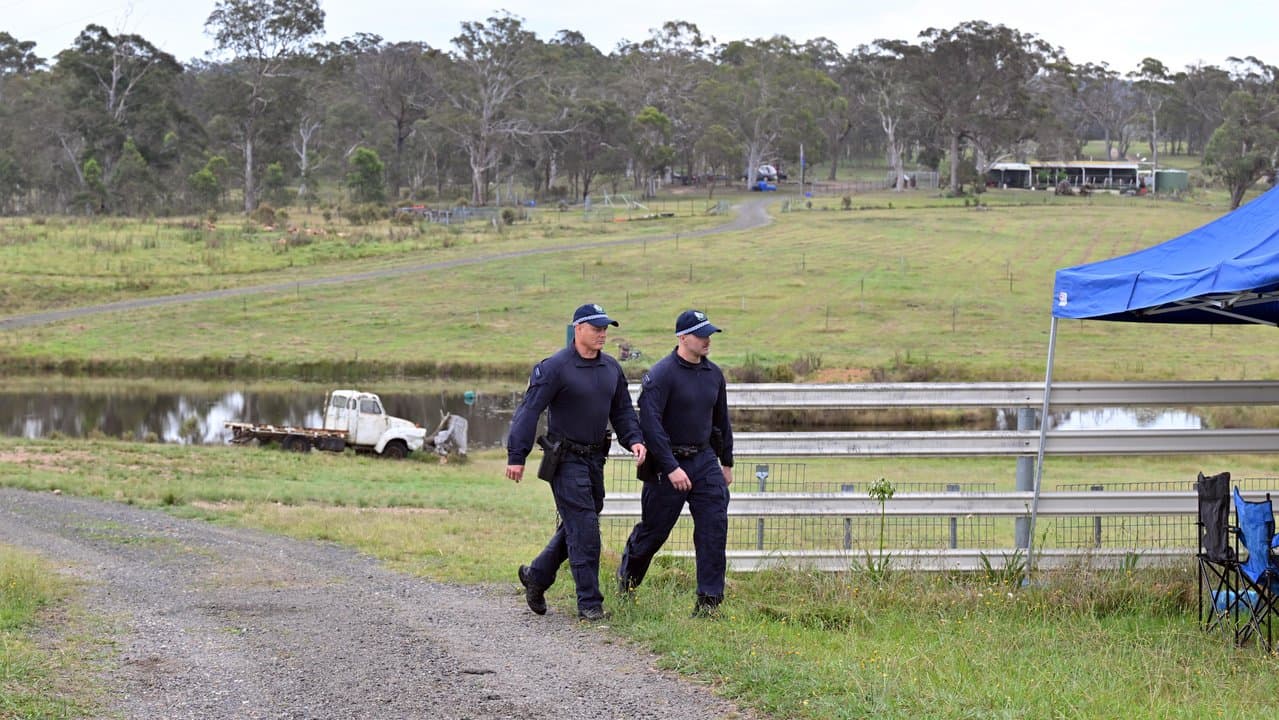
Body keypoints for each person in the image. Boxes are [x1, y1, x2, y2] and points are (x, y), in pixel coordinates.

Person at [506, 303, 646, 621]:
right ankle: (589, 604)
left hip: (595, 459)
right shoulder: (555, 367)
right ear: (578, 329)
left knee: (580, 522)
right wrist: (517, 455)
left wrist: (635, 440)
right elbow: (529, 411)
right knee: (585, 528)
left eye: (605, 328)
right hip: (565, 459)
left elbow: (623, 412)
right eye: (596, 328)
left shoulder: (611, 368)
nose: (602, 334)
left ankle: (537, 575)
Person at [617, 309, 734, 617]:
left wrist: (726, 462)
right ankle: (627, 582)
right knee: (654, 532)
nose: (707, 340)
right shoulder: (661, 375)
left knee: (713, 528)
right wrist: (671, 467)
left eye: (709, 334)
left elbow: (721, 421)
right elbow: (651, 426)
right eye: (701, 335)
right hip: (665, 462)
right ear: (683, 337)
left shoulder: (714, 375)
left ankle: (709, 603)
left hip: (704, 459)